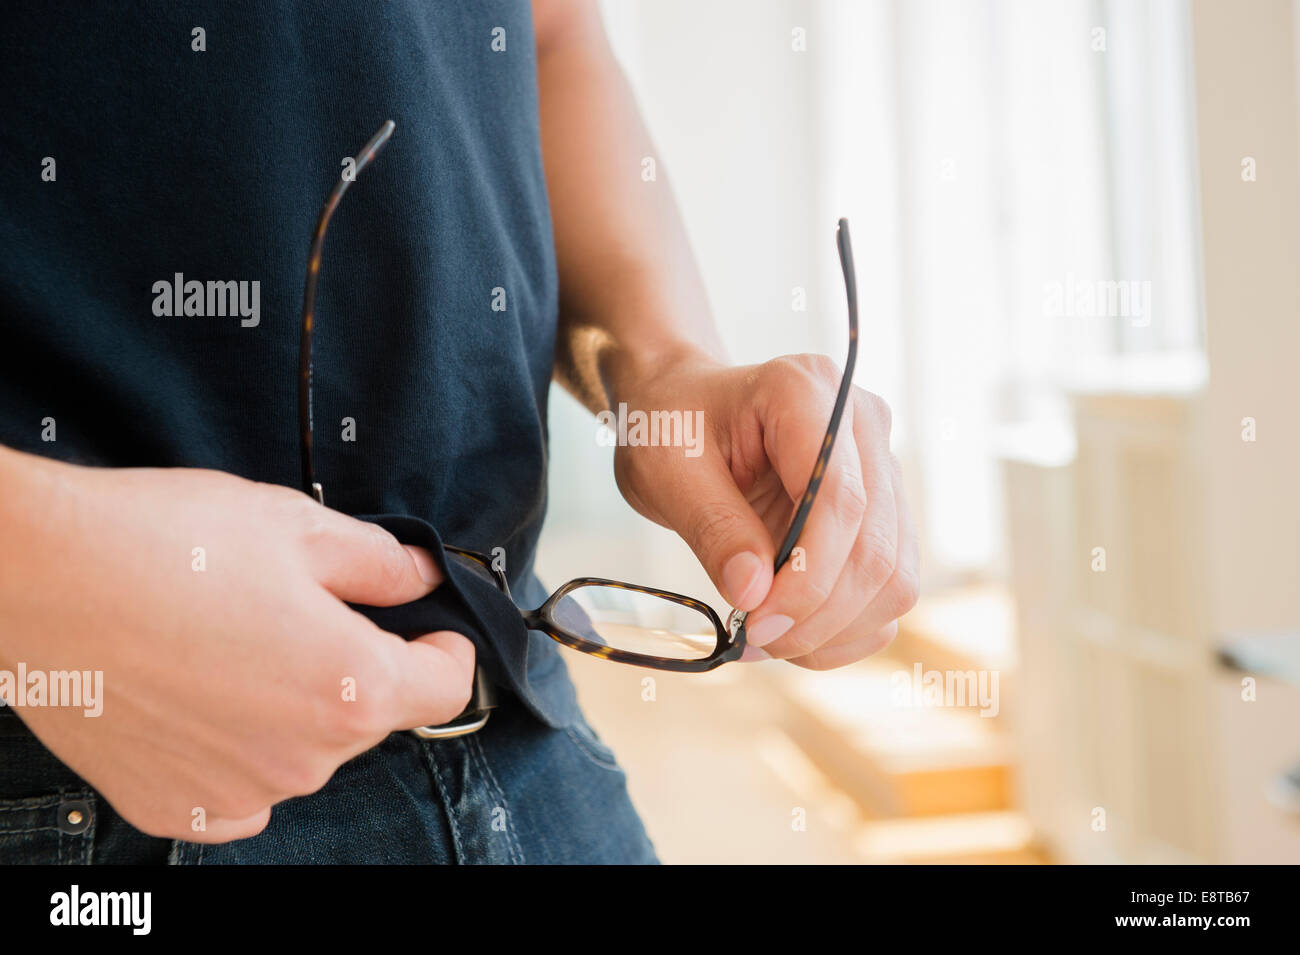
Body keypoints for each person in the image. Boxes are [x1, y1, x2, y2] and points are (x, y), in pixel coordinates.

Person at [0, 0, 918, 864]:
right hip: (89, 772)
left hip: (527, 728)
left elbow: (552, 36)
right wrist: (35, 573)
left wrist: (664, 364)